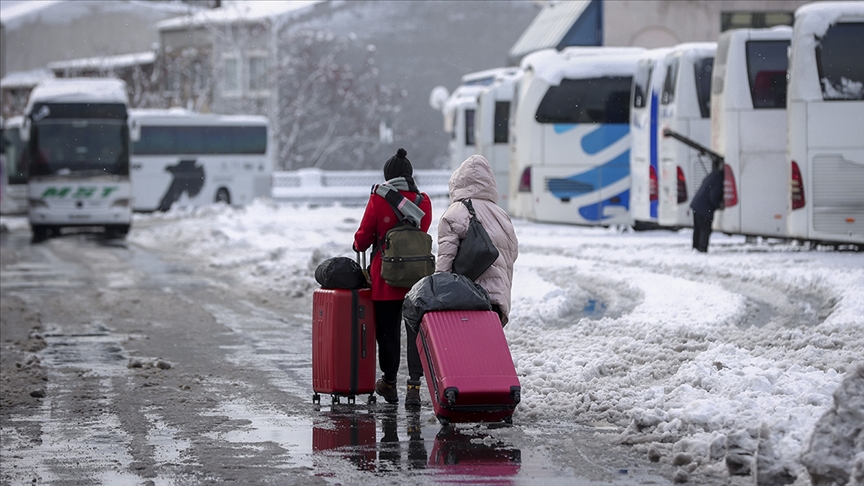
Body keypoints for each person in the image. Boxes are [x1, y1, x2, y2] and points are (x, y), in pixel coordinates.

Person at [353, 148, 433, 408]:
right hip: (417, 281)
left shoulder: (379, 199)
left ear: (387, 177)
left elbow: (363, 238)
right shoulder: (424, 202)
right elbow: (419, 233)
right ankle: (413, 386)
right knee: (415, 334)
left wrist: (358, 243)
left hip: (387, 279)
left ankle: (388, 382)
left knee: (388, 334)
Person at [436, 154, 518, 326]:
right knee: (486, 349)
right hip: (497, 299)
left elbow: (445, 259)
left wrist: (438, 292)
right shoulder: (501, 215)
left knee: (465, 349)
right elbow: (511, 256)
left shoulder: (455, 212)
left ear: (459, 182)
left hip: (466, 297)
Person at [689, 166, 725, 253]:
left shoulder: (713, 175)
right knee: (705, 229)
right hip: (705, 207)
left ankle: (695, 247)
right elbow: (714, 197)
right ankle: (702, 249)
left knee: (697, 228)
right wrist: (718, 205)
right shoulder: (719, 180)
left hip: (696, 204)